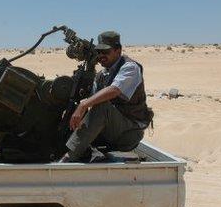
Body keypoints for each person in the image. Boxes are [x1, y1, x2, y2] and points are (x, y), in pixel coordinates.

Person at [60, 31, 153, 162]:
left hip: (129, 132)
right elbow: (92, 97)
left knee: (101, 106)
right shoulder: (102, 75)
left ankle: (70, 157)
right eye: (99, 52)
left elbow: (114, 90)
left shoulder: (130, 67)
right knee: (77, 108)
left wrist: (83, 105)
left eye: (106, 52)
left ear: (118, 51)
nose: (101, 56)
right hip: (111, 130)